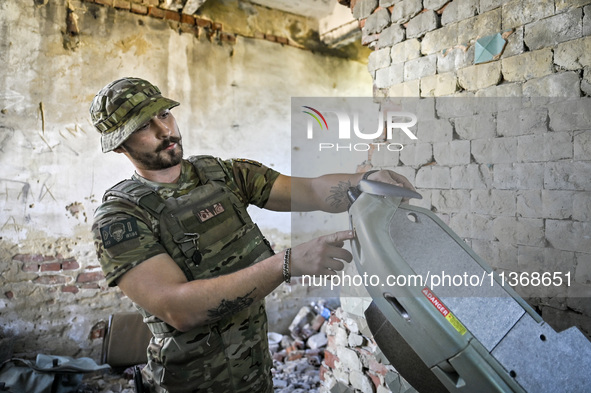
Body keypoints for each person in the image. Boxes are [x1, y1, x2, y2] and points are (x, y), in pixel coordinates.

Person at [90, 77, 415, 393]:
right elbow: (179, 308)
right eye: (143, 126)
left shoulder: (222, 174)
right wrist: (285, 264)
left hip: (255, 374)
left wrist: (366, 180)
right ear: (120, 144)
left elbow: (311, 189)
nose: (164, 130)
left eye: (163, 114)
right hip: (188, 384)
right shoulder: (120, 216)